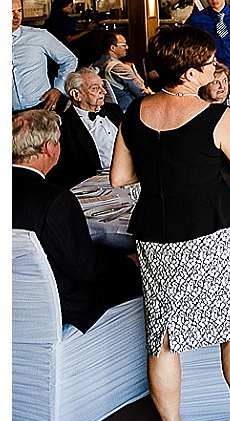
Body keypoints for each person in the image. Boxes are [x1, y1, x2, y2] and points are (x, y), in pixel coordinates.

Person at [110, 23, 230, 421]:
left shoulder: (134, 111)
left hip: (155, 236)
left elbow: (119, 178)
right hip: (213, 233)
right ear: (189, 74)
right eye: (210, 64)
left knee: (162, 337)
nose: (216, 70)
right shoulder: (217, 115)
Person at [13, 108, 142, 331]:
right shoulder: (54, 200)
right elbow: (87, 268)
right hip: (62, 306)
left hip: (17, 302)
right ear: (48, 148)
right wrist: (130, 262)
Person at [44, 66, 123, 187]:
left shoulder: (114, 110)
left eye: (102, 86)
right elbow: (64, 172)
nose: (104, 91)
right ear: (76, 94)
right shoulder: (63, 126)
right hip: (95, 186)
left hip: (128, 177)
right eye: (95, 88)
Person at [12, 0, 78, 112]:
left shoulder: (38, 36)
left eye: (19, 10)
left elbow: (69, 60)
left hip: (40, 107)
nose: (16, 16)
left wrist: (59, 89)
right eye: (10, 11)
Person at [99, 31, 148, 108]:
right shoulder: (121, 68)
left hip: (107, 109)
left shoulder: (96, 65)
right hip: (127, 109)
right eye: (124, 45)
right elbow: (140, 93)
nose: (127, 47)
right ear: (112, 48)